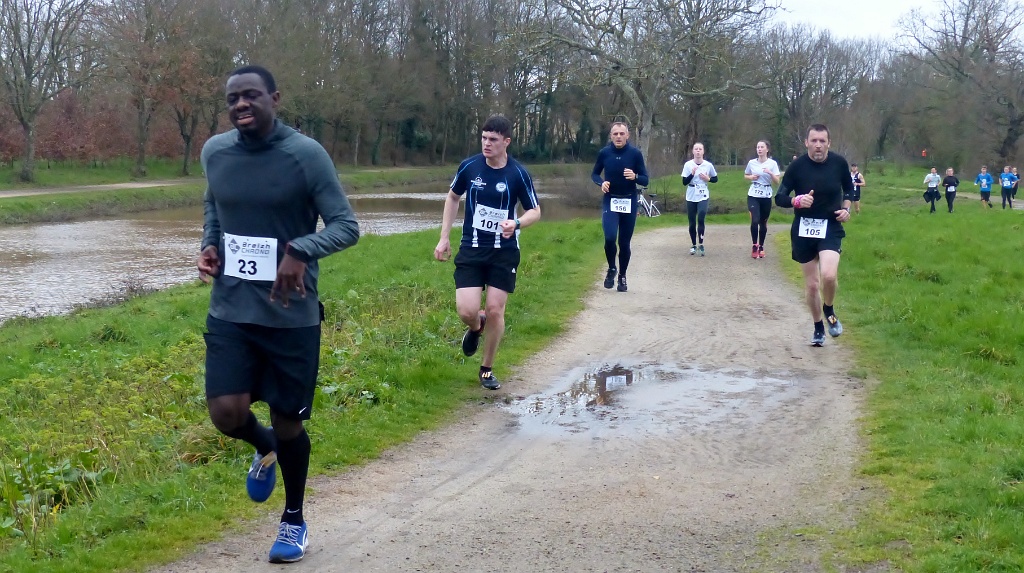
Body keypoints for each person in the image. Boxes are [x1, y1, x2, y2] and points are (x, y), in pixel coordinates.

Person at [197, 65, 360, 564]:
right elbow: (215, 206)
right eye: (232, 99)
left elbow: (346, 226)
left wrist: (301, 249)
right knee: (226, 412)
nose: (241, 105)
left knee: (289, 423)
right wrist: (209, 243)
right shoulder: (215, 152)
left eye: (251, 95)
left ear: (275, 97)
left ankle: (293, 520)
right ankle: (262, 446)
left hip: (291, 316)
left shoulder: (306, 155)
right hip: (231, 308)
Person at [434, 115, 541, 391]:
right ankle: (475, 326)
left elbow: (535, 211)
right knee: (466, 310)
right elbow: (452, 197)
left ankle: (486, 368)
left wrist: (516, 223)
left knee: (495, 309)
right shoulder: (469, 167)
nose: (487, 144)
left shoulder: (518, 174)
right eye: (483, 138)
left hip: (504, 252)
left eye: (493, 139)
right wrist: (444, 238)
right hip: (472, 248)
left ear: (506, 142)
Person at [775, 123, 853, 347]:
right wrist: (796, 200)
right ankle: (818, 326)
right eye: (814, 141)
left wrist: (846, 209)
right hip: (804, 228)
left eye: (822, 141)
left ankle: (829, 309)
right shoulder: (797, 166)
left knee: (828, 275)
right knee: (811, 285)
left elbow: (849, 190)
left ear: (829, 143)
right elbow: (779, 197)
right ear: (806, 142)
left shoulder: (839, 163)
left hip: (830, 225)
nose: (818, 145)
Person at [591, 121, 649, 291]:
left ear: (627, 135)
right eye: (615, 134)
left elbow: (645, 179)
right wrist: (601, 183)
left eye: (622, 134)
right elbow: (594, 174)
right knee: (610, 237)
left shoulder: (635, 154)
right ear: (611, 136)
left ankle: (622, 276)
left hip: (629, 201)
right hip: (610, 200)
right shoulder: (604, 153)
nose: (618, 137)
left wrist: (635, 176)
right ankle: (611, 268)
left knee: (624, 243)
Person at [744, 140, 780, 259]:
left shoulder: (772, 164)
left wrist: (770, 173)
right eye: (758, 147)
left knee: (763, 222)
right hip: (753, 194)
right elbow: (745, 175)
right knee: (755, 220)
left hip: (766, 195)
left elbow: (777, 181)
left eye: (761, 147)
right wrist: (751, 177)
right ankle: (755, 245)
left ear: (767, 149)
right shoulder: (752, 163)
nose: (759, 149)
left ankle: (761, 246)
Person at [681, 142, 718, 256]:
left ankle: (701, 244)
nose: (698, 151)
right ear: (693, 151)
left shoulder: (708, 165)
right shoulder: (688, 165)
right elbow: (684, 182)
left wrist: (708, 179)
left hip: (703, 194)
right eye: (696, 149)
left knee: (701, 217)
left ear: (703, 151)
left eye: (700, 149)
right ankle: (693, 245)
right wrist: (692, 174)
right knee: (692, 222)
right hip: (691, 194)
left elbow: (715, 179)